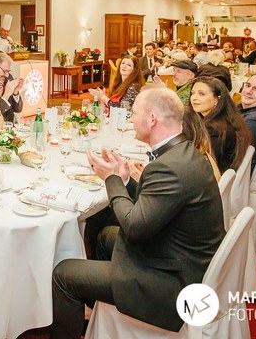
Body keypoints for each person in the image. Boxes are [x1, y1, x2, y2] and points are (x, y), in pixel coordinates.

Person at [51, 88, 224, 337]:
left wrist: (112, 180)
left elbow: (134, 227)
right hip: (181, 257)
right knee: (104, 235)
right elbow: (155, 204)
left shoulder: (169, 167)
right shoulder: (183, 152)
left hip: (172, 282)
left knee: (63, 273)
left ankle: (83, 310)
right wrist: (124, 179)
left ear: (152, 119)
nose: (130, 119)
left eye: (133, 113)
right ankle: (94, 312)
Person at [189, 76, 251, 173]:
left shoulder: (214, 129)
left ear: (217, 99)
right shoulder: (225, 119)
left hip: (213, 176)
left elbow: (197, 163)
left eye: (201, 94)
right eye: (193, 93)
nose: (194, 98)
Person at [0, 52, 24, 123]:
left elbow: (18, 109)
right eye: (5, 71)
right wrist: (6, 95)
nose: (7, 75)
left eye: (8, 71)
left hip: (10, 126)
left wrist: (15, 92)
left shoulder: (8, 79)